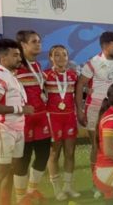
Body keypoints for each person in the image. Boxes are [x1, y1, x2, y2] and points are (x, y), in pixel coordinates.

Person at [76, 31, 113, 198]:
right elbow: (80, 85)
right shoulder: (92, 63)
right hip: (95, 109)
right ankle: (96, 183)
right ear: (105, 46)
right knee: (97, 146)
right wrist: (80, 110)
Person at [0, 39, 33, 205]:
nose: (19, 58)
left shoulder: (11, 76)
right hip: (4, 130)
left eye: (19, 55)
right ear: (3, 57)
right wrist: (20, 109)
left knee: (10, 172)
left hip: (17, 131)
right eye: (15, 55)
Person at [15, 30, 50, 203]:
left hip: (41, 117)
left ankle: (31, 191)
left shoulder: (37, 65)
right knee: (23, 158)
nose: (38, 44)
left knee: (43, 155)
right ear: (23, 45)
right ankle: (21, 197)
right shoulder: (15, 67)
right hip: (24, 119)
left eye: (39, 41)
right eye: (34, 41)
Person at [44, 45, 80, 201]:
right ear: (50, 58)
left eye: (64, 55)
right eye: (56, 55)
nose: (61, 58)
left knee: (70, 153)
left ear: (68, 57)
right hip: (53, 119)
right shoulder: (45, 76)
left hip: (70, 117)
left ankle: (68, 186)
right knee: (54, 154)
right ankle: (57, 188)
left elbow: (81, 92)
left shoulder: (73, 75)